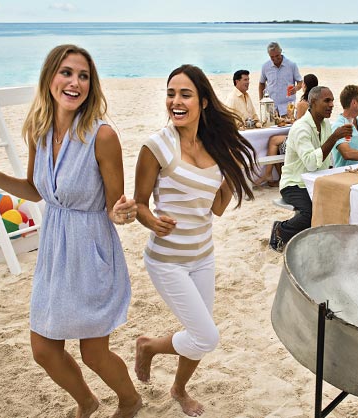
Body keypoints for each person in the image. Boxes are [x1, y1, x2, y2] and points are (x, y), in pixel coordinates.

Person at [0, 44, 143, 418]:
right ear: (50, 78)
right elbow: (37, 190)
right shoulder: (39, 130)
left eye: (83, 75)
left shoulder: (103, 136)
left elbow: (114, 208)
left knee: (94, 352)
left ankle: (130, 399)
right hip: (55, 248)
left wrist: (125, 212)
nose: (75, 82)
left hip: (91, 247)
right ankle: (87, 401)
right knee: (43, 349)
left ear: (91, 85)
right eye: (67, 72)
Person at [133, 64, 256, 417]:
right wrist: (153, 222)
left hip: (203, 256)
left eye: (184, 94)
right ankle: (148, 346)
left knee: (198, 335)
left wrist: (232, 168)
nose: (175, 101)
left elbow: (216, 208)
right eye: (171, 94)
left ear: (202, 102)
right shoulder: (156, 146)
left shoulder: (215, 147)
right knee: (206, 336)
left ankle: (178, 388)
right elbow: (140, 203)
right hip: (167, 261)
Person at [269, 86, 352, 252]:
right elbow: (311, 164)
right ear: (313, 102)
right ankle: (280, 229)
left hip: (316, 180)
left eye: (332, 101)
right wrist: (335, 137)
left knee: (338, 203)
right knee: (310, 213)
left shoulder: (326, 124)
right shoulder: (301, 128)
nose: (332, 105)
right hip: (294, 183)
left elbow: (327, 159)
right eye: (327, 101)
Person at [257, 73, 319, 187]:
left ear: (304, 85)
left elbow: (299, 127)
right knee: (276, 140)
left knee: (273, 140)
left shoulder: (302, 104)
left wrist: (290, 119)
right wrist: (290, 120)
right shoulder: (316, 103)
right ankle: (277, 176)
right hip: (313, 138)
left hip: (302, 140)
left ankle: (269, 174)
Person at [258, 41, 302, 116]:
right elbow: (261, 84)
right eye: (272, 57)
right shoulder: (265, 66)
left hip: (288, 106)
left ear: (281, 51)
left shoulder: (291, 65)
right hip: (271, 107)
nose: (275, 58)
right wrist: (262, 101)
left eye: (277, 55)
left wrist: (296, 88)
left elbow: (300, 82)